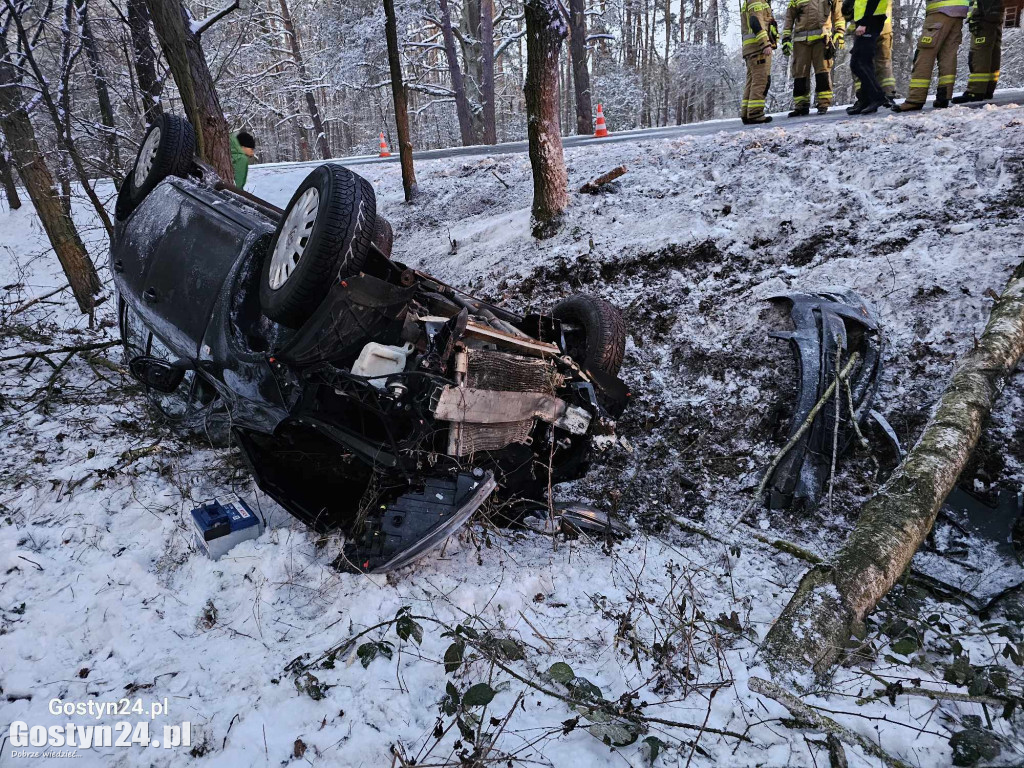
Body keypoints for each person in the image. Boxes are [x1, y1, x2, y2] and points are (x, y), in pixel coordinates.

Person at [893, 0, 970, 111]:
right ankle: (944, 96)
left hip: (940, 9)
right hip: (959, 10)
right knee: (948, 55)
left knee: (925, 54)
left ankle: (915, 99)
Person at [781, 0, 845, 116]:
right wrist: (786, 38)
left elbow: (838, 13)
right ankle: (801, 106)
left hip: (822, 39)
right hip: (801, 41)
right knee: (800, 73)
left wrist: (839, 33)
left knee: (823, 71)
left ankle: (823, 104)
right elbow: (789, 17)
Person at [952, 0, 1003, 102]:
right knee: (992, 52)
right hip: (995, 13)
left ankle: (975, 91)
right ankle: (987, 89)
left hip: (984, 14)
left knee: (980, 53)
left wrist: (977, 15)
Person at [845, 0, 890, 114]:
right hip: (866, 20)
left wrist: (864, 23)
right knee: (863, 62)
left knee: (859, 63)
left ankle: (877, 96)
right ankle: (866, 100)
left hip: (870, 21)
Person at [740, 0, 779, 124]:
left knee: (752, 81)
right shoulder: (756, 2)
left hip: (751, 49)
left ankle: (746, 113)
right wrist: (765, 44)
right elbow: (756, 22)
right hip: (758, 48)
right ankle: (755, 113)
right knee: (761, 80)